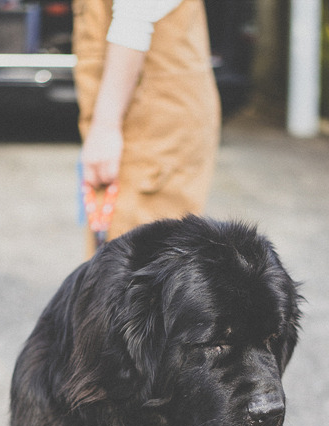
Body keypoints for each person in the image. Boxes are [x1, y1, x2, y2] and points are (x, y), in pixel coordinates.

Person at [72, 0, 221, 247]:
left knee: (135, 263)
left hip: (155, 120)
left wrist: (105, 127)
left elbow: (133, 20)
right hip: (140, 111)